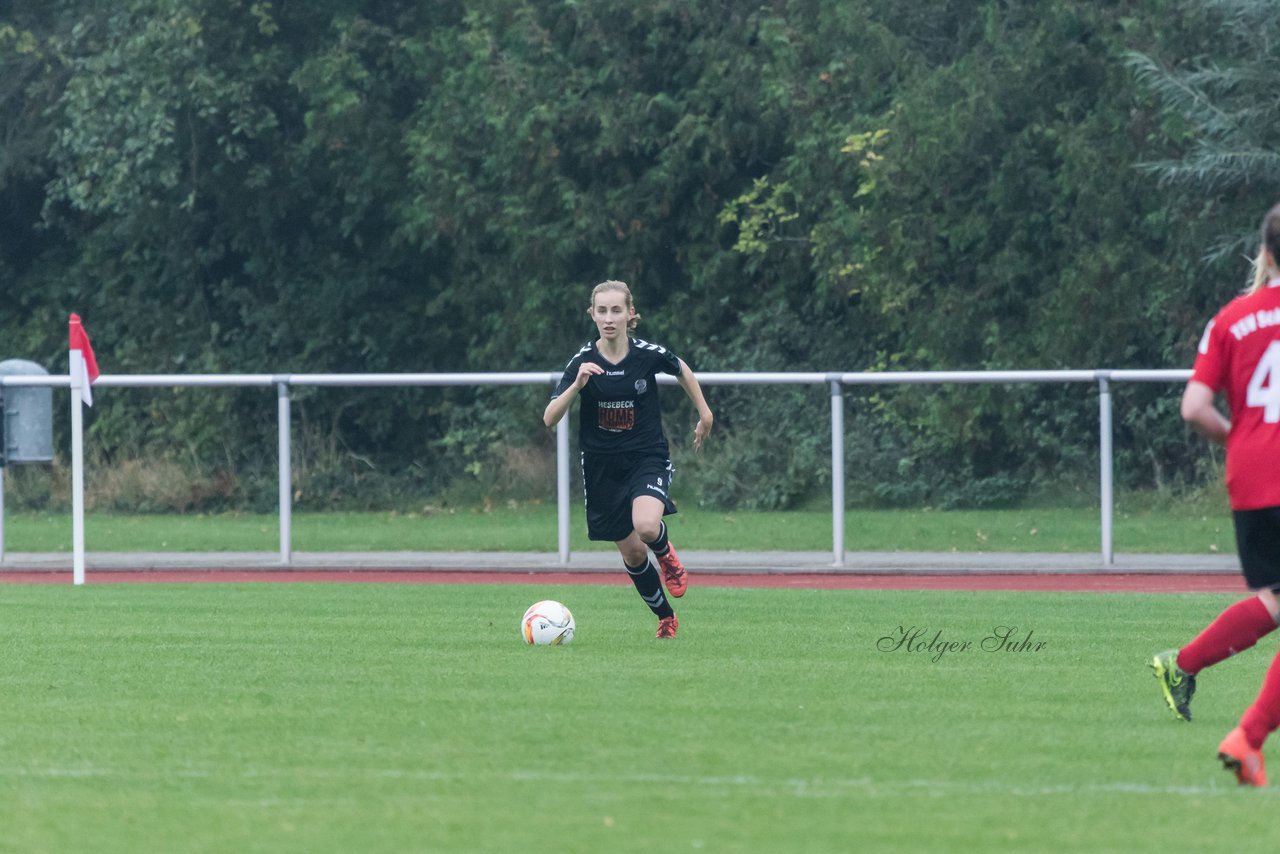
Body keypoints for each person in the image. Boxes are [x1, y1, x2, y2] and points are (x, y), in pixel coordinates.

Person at [1151, 202, 1280, 786]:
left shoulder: (1231, 319)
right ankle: (1248, 736)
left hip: (1252, 478)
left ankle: (1182, 666)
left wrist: (1240, 439)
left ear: (1267, 250)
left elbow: (1194, 408)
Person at [543, 280, 713, 639]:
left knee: (647, 526)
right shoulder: (583, 362)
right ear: (592, 315)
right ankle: (666, 617)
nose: (609, 318)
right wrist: (576, 386)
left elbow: (681, 368)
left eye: (616, 310)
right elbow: (549, 417)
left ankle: (667, 556)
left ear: (630, 314)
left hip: (646, 457)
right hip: (602, 467)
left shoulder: (646, 354)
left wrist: (705, 413)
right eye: (601, 311)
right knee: (634, 554)